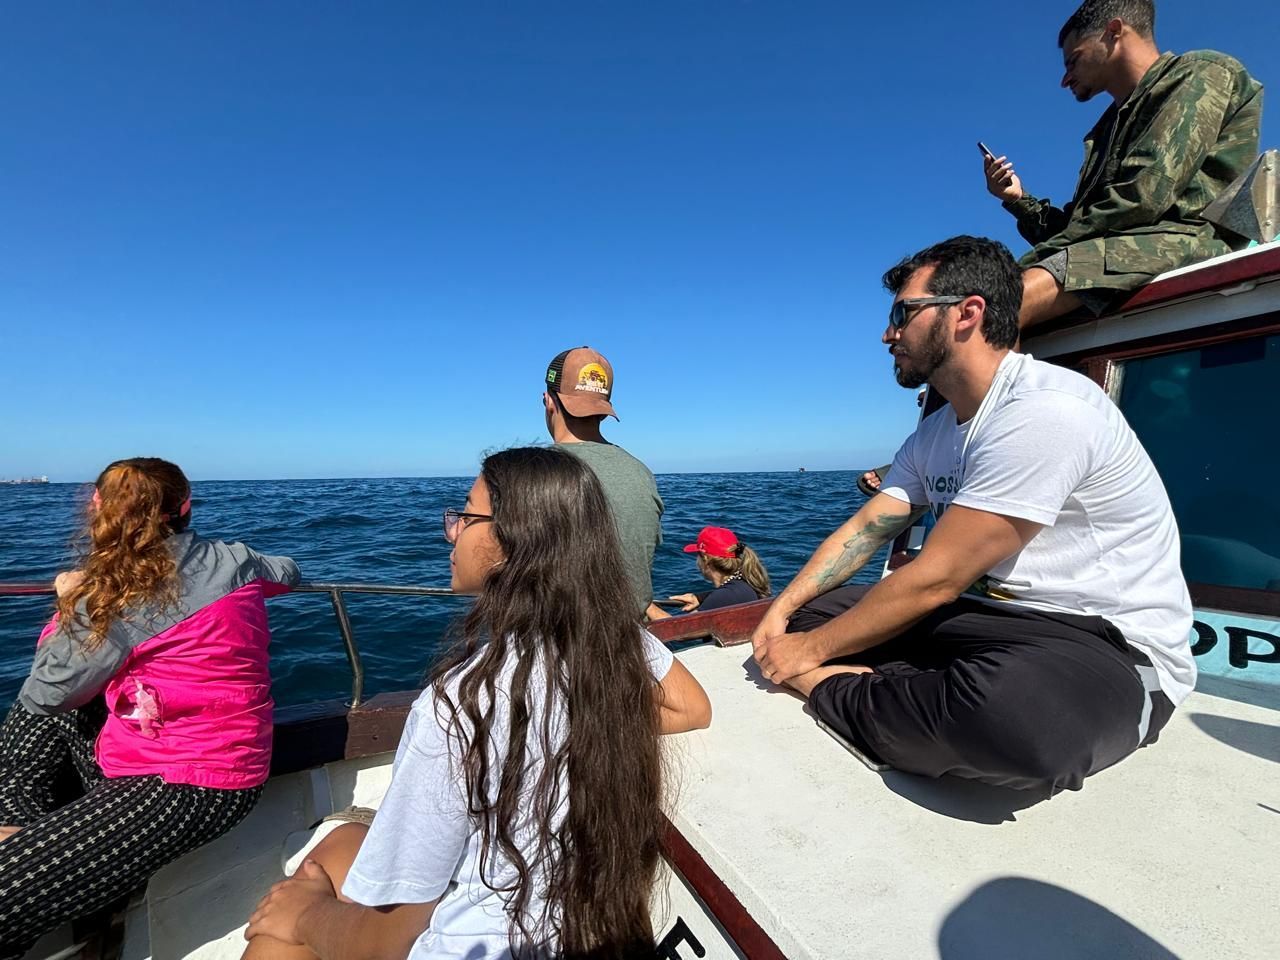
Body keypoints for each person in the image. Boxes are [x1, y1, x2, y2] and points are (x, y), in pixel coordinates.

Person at [751, 236, 1195, 793]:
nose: (889, 334)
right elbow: (867, 530)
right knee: (804, 617)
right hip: (986, 620)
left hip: (1102, 640)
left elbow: (937, 578)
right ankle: (906, 700)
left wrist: (809, 660)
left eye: (902, 313)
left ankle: (838, 688)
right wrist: (783, 608)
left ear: (967, 313)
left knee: (1016, 724)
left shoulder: (1046, 410)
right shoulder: (934, 433)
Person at [242, 446, 711, 960]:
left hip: (467, 947)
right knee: (343, 843)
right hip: (579, 930)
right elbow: (693, 708)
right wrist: (581, 720)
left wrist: (306, 916)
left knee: (276, 930)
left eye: (465, 515)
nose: (451, 531)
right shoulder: (619, 640)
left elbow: (383, 944)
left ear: (513, 544)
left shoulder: (455, 707)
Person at [0, 457, 299, 957]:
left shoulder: (114, 593)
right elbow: (287, 571)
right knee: (34, 741)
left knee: (30, 727)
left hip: (191, 784)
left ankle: (33, 863)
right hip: (212, 760)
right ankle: (39, 860)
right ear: (184, 508)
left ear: (97, 507)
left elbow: (45, 691)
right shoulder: (235, 558)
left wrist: (71, 603)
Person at [983, 0, 1263, 330]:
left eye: (1074, 60)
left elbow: (1141, 198)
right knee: (979, 305)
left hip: (1190, 240)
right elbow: (1083, 227)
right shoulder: (1107, 127)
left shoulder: (1200, 72)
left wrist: (1021, 266)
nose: (1065, 78)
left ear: (1114, 31)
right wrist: (1018, 200)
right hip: (1127, 247)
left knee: (998, 309)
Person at [542, 346, 665, 620]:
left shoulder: (525, 472)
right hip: (632, 642)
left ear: (549, 400)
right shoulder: (641, 473)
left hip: (559, 644)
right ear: (603, 405)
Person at [655, 526, 771, 617]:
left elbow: (680, 631)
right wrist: (700, 598)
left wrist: (645, 605)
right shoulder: (743, 584)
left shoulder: (725, 595)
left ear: (705, 559)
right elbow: (726, 597)